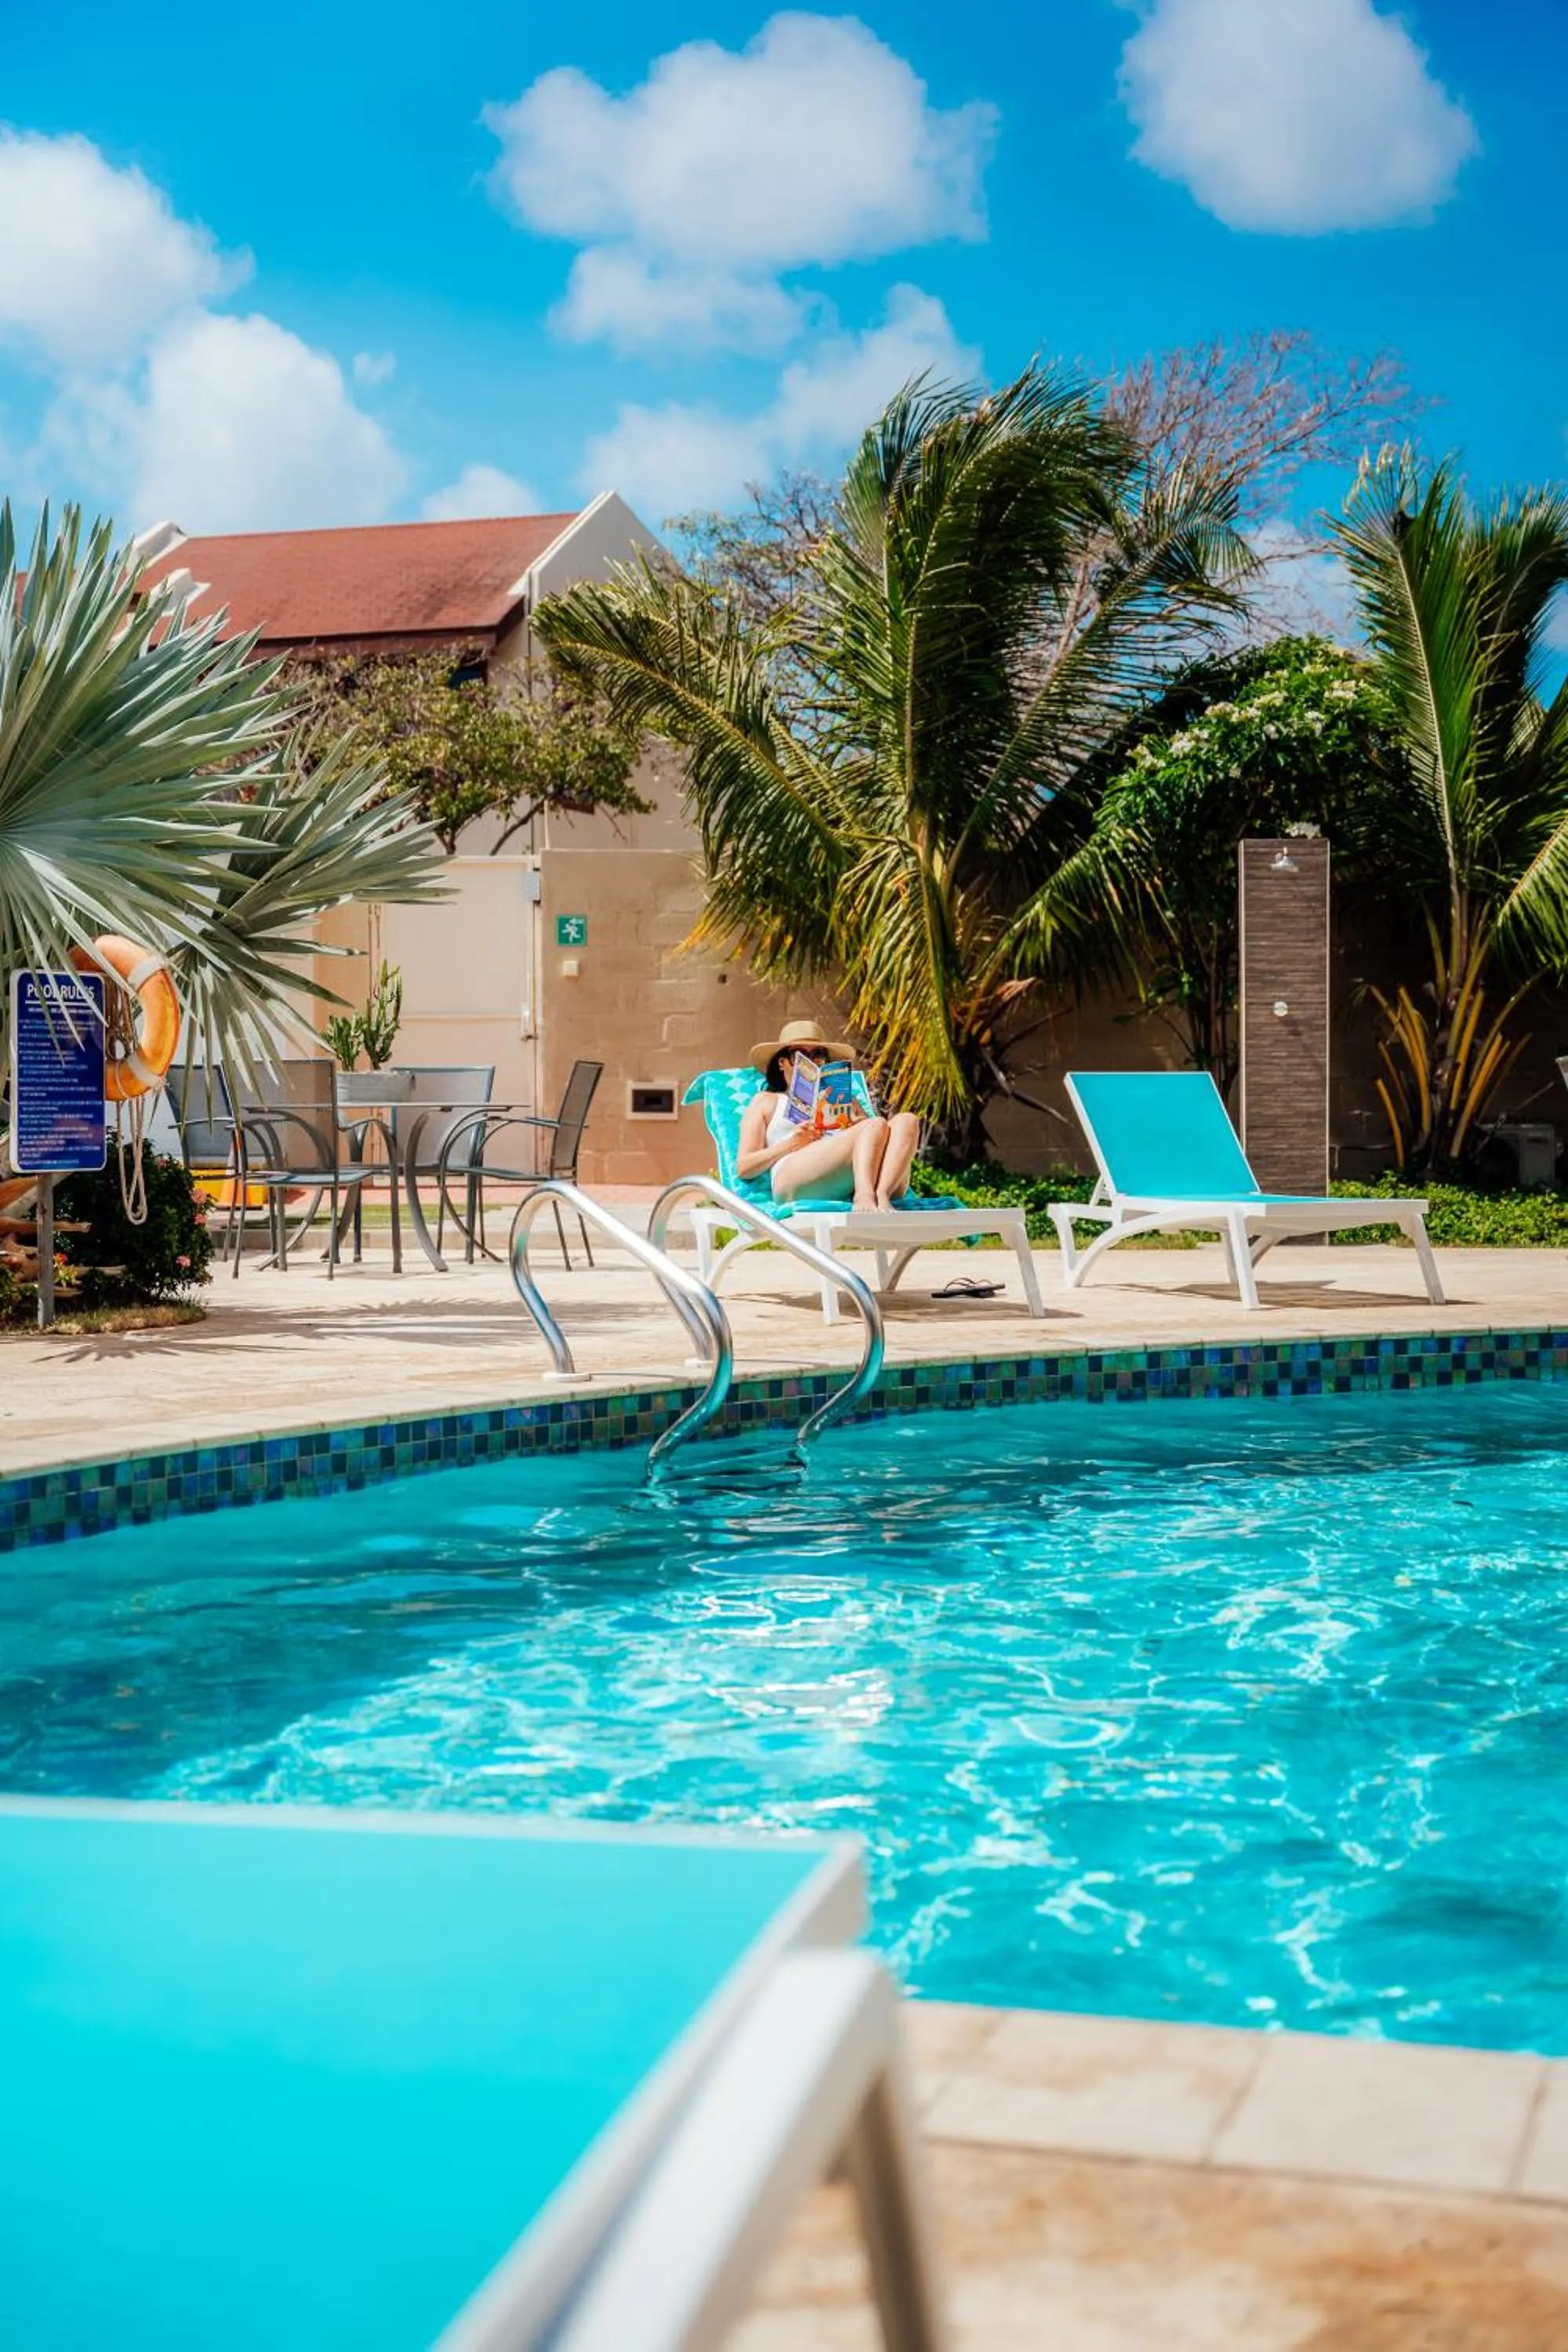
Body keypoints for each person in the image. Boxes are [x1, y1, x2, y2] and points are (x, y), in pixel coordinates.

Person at [735, 1020, 923, 1213]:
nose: (811, 1062)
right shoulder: (766, 1100)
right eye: (799, 1055)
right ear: (782, 1063)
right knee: (873, 1125)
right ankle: (864, 1196)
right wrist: (792, 1143)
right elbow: (744, 1167)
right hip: (792, 1178)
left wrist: (855, 1126)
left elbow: (876, 1136)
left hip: (846, 1175)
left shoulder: (845, 1099)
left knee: (907, 1121)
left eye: (818, 1055)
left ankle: (882, 1195)